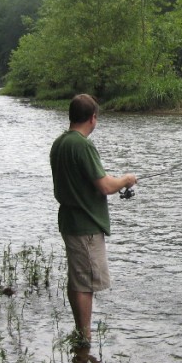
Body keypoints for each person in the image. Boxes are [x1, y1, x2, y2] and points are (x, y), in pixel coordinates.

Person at [50, 94, 137, 346]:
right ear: (93, 118)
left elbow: (86, 177)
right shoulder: (83, 145)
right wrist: (126, 179)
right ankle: (84, 337)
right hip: (85, 224)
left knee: (77, 279)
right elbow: (106, 186)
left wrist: (110, 178)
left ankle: (80, 333)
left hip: (70, 221)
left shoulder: (60, 143)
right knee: (84, 283)